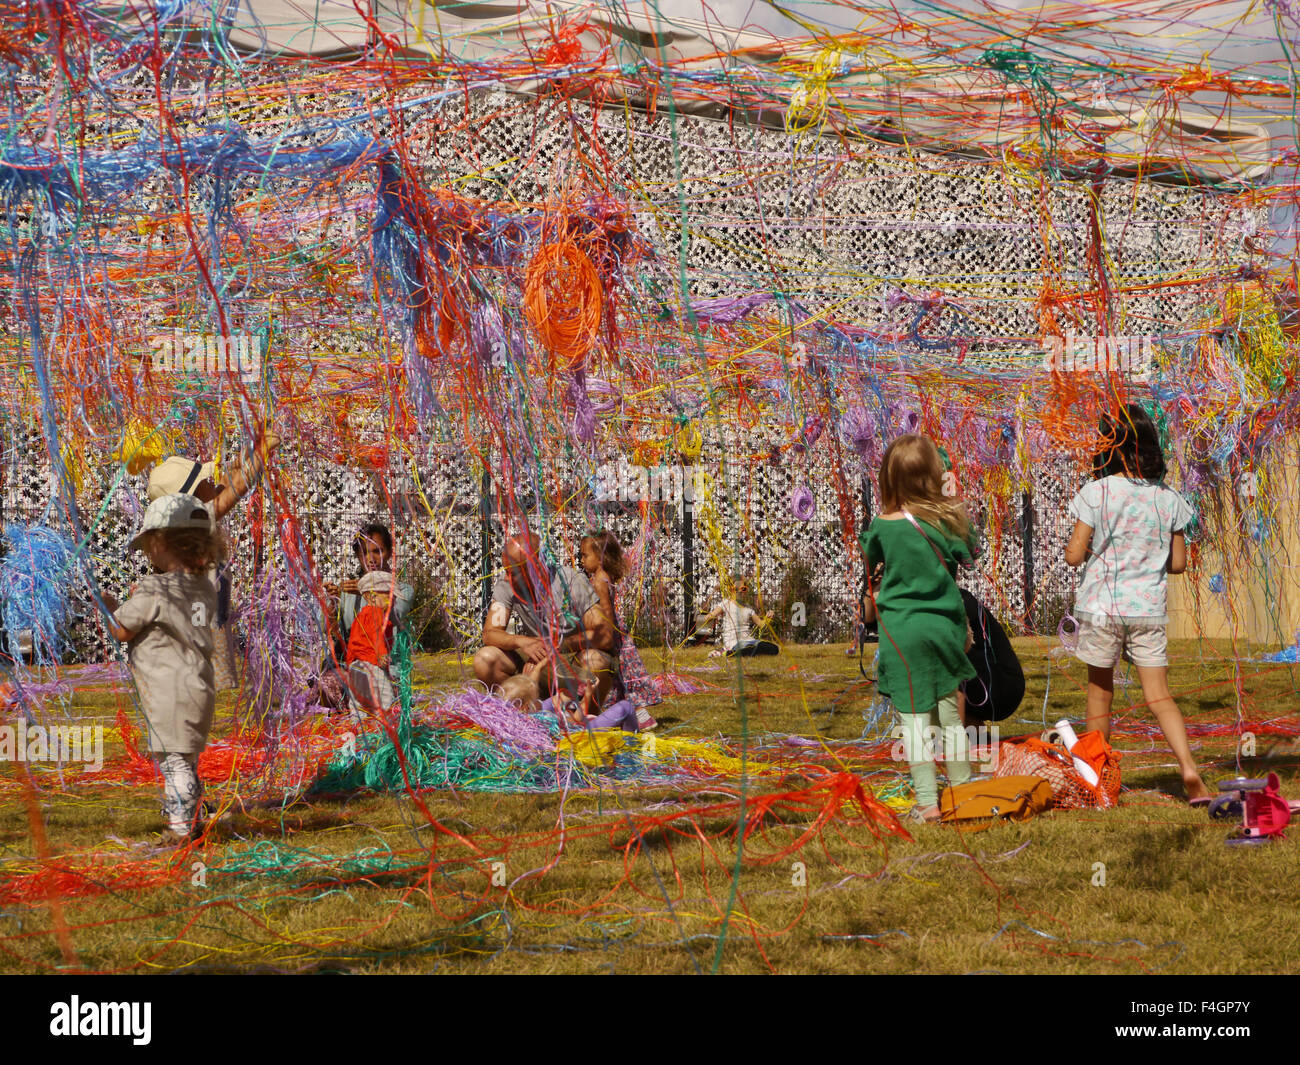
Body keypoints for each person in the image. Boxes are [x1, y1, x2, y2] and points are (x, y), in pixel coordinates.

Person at [1064, 403, 1210, 804]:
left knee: (1100, 692)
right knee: (1159, 696)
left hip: (1101, 611)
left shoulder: (1095, 493)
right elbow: (1178, 564)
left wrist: (1089, 545)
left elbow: (1074, 556)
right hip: (1148, 610)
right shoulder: (1170, 500)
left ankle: (1098, 780)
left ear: (1110, 447)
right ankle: (1189, 769)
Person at [860, 434, 974, 823]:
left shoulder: (880, 527)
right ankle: (964, 791)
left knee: (915, 724)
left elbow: (871, 567)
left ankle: (928, 802)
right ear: (933, 477)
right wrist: (951, 494)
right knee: (951, 718)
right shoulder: (948, 521)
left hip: (901, 636)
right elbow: (970, 552)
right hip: (944, 630)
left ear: (888, 481)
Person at [101, 493, 222, 842]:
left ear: (162, 543)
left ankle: (181, 831)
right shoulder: (205, 588)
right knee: (185, 760)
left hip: (168, 696)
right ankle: (192, 816)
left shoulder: (156, 589)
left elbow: (122, 629)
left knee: (173, 763)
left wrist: (108, 605)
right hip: (198, 690)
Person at [146, 430, 280, 691]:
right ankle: (205, 688)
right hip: (201, 612)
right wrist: (264, 452)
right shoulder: (197, 519)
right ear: (192, 497)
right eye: (204, 481)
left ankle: (204, 685)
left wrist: (249, 452)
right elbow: (237, 487)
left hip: (204, 607)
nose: (212, 482)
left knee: (204, 654)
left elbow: (229, 479)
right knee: (204, 659)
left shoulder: (190, 520)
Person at [473, 529, 618, 706]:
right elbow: (490, 633)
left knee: (596, 660)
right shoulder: (506, 585)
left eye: (514, 572)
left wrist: (558, 645)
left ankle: (584, 717)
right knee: (485, 659)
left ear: (535, 567)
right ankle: (520, 710)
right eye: (507, 571)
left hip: (572, 664)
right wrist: (524, 642)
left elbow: (604, 635)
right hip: (537, 666)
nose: (507, 577)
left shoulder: (571, 581)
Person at [315, 523, 414, 709]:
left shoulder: (403, 591)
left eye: (377, 551)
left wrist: (367, 593)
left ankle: (364, 707)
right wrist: (331, 606)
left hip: (387, 670)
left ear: (390, 553)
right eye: (364, 553)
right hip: (354, 668)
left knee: (385, 702)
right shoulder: (346, 591)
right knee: (327, 685)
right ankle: (351, 709)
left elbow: (394, 615)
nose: (371, 559)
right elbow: (329, 630)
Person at [579, 530, 661, 730]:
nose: (581, 560)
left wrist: (604, 635)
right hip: (618, 632)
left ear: (600, 558)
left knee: (621, 676)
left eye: (585, 555)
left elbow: (606, 611)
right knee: (617, 676)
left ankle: (640, 714)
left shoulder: (599, 580)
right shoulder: (605, 576)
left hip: (612, 633)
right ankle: (621, 712)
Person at [958, 588, 1025, 725]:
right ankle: (977, 738)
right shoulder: (953, 599)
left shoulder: (958, 603)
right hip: (995, 686)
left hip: (1001, 687)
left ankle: (956, 741)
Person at [344, 570, 399, 720]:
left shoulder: (362, 615)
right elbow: (376, 636)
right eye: (388, 595)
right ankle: (387, 730)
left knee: (359, 703)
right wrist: (381, 654)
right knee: (385, 698)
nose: (392, 599)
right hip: (371, 666)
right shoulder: (376, 612)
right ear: (371, 596)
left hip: (356, 666)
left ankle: (358, 731)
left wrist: (350, 665)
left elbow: (353, 643)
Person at [700, 578, 778, 657]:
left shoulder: (748, 608)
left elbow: (761, 625)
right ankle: (732, 652)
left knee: (774, 648)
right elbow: (712, 615)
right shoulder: (726, 603)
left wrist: (768, 618)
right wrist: (709, 617)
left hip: (749, 641)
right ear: (732, 590)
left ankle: (734, 653)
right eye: (735, 589)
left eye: (743, 589)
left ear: (746, 590)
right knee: (749, 648)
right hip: (733, 642)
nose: (739, 592)